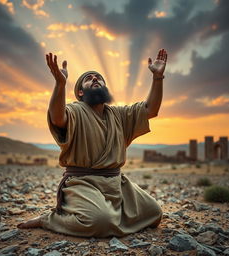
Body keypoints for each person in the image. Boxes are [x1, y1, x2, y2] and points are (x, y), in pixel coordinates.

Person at [17, 49, 168, 238]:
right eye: (89, 78)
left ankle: (112, 215)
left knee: (155, 213)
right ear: (80, 92)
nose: (95, 78)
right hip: (83, 182)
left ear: (105, 88)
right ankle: (49, 219)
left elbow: (150, 110)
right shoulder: (75, 111)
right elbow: (57, 118)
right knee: (99, 222)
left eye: (99, 78)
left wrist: (157, 78)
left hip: (116, 183)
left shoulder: (119, 115)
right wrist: (60, 84)